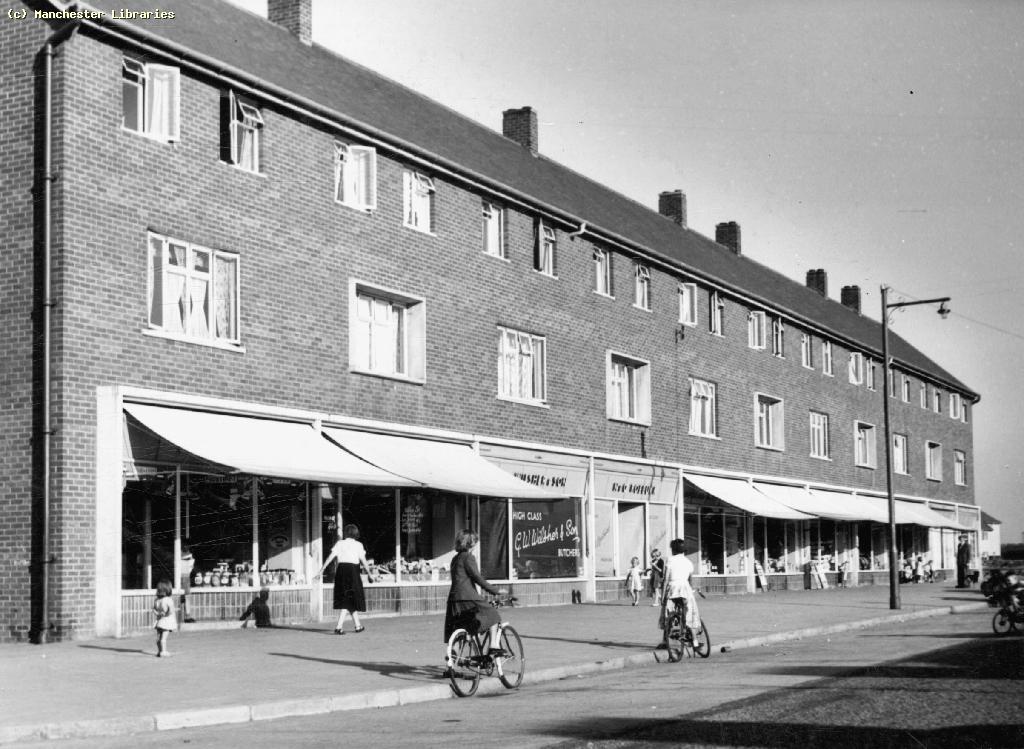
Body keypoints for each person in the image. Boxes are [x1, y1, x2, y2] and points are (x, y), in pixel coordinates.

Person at [443, 529, 507, 656]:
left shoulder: (455, 559)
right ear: (471, 544)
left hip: (454, 599)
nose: (475, 546)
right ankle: (493, 645)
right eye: (475, 543)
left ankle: (452, 662)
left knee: (460, 626)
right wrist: (496, 591)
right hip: (467, 597)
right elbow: (477, 578)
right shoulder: (468, 557)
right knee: (494, 615)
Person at [316, 523, 376, 634]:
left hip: (341, 571)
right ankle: (339, 627)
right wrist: (370, 574)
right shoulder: (358, 545)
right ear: (356, 533)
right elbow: (363, 560)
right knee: (349, 599)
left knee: (347, 598)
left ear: (345, 533)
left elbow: (330, 557)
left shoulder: (340, 543)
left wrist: (321, 570)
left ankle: (358, 626)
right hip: (353, 571)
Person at [659, 538, 695, 648]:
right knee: (688, 613)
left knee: (668, 613)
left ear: (673, 550)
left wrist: (663, 595)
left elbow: (666, 579)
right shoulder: (688, 562)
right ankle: (692, 638)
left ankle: (665, 641)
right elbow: (690, 579)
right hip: (685, 589)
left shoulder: (670, 560)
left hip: (673, 588)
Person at [153, 579, 176, 657]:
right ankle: (164, 651)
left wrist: (159, 614)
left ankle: (159, 651)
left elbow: (154, 610)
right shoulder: (169, 600)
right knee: (164, 638)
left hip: (159, 621)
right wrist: (165, 614)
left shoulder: (157, 600)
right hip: (166, 621)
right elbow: (171, 611)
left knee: (158, 638)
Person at [180, 540, 196, 623]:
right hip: (182, 576)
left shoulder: (188, 554)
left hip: (186, 576)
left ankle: (187, 615)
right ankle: (186, 615)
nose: (187, 547)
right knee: (184, 597)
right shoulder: (180, 554)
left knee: (187, 597)